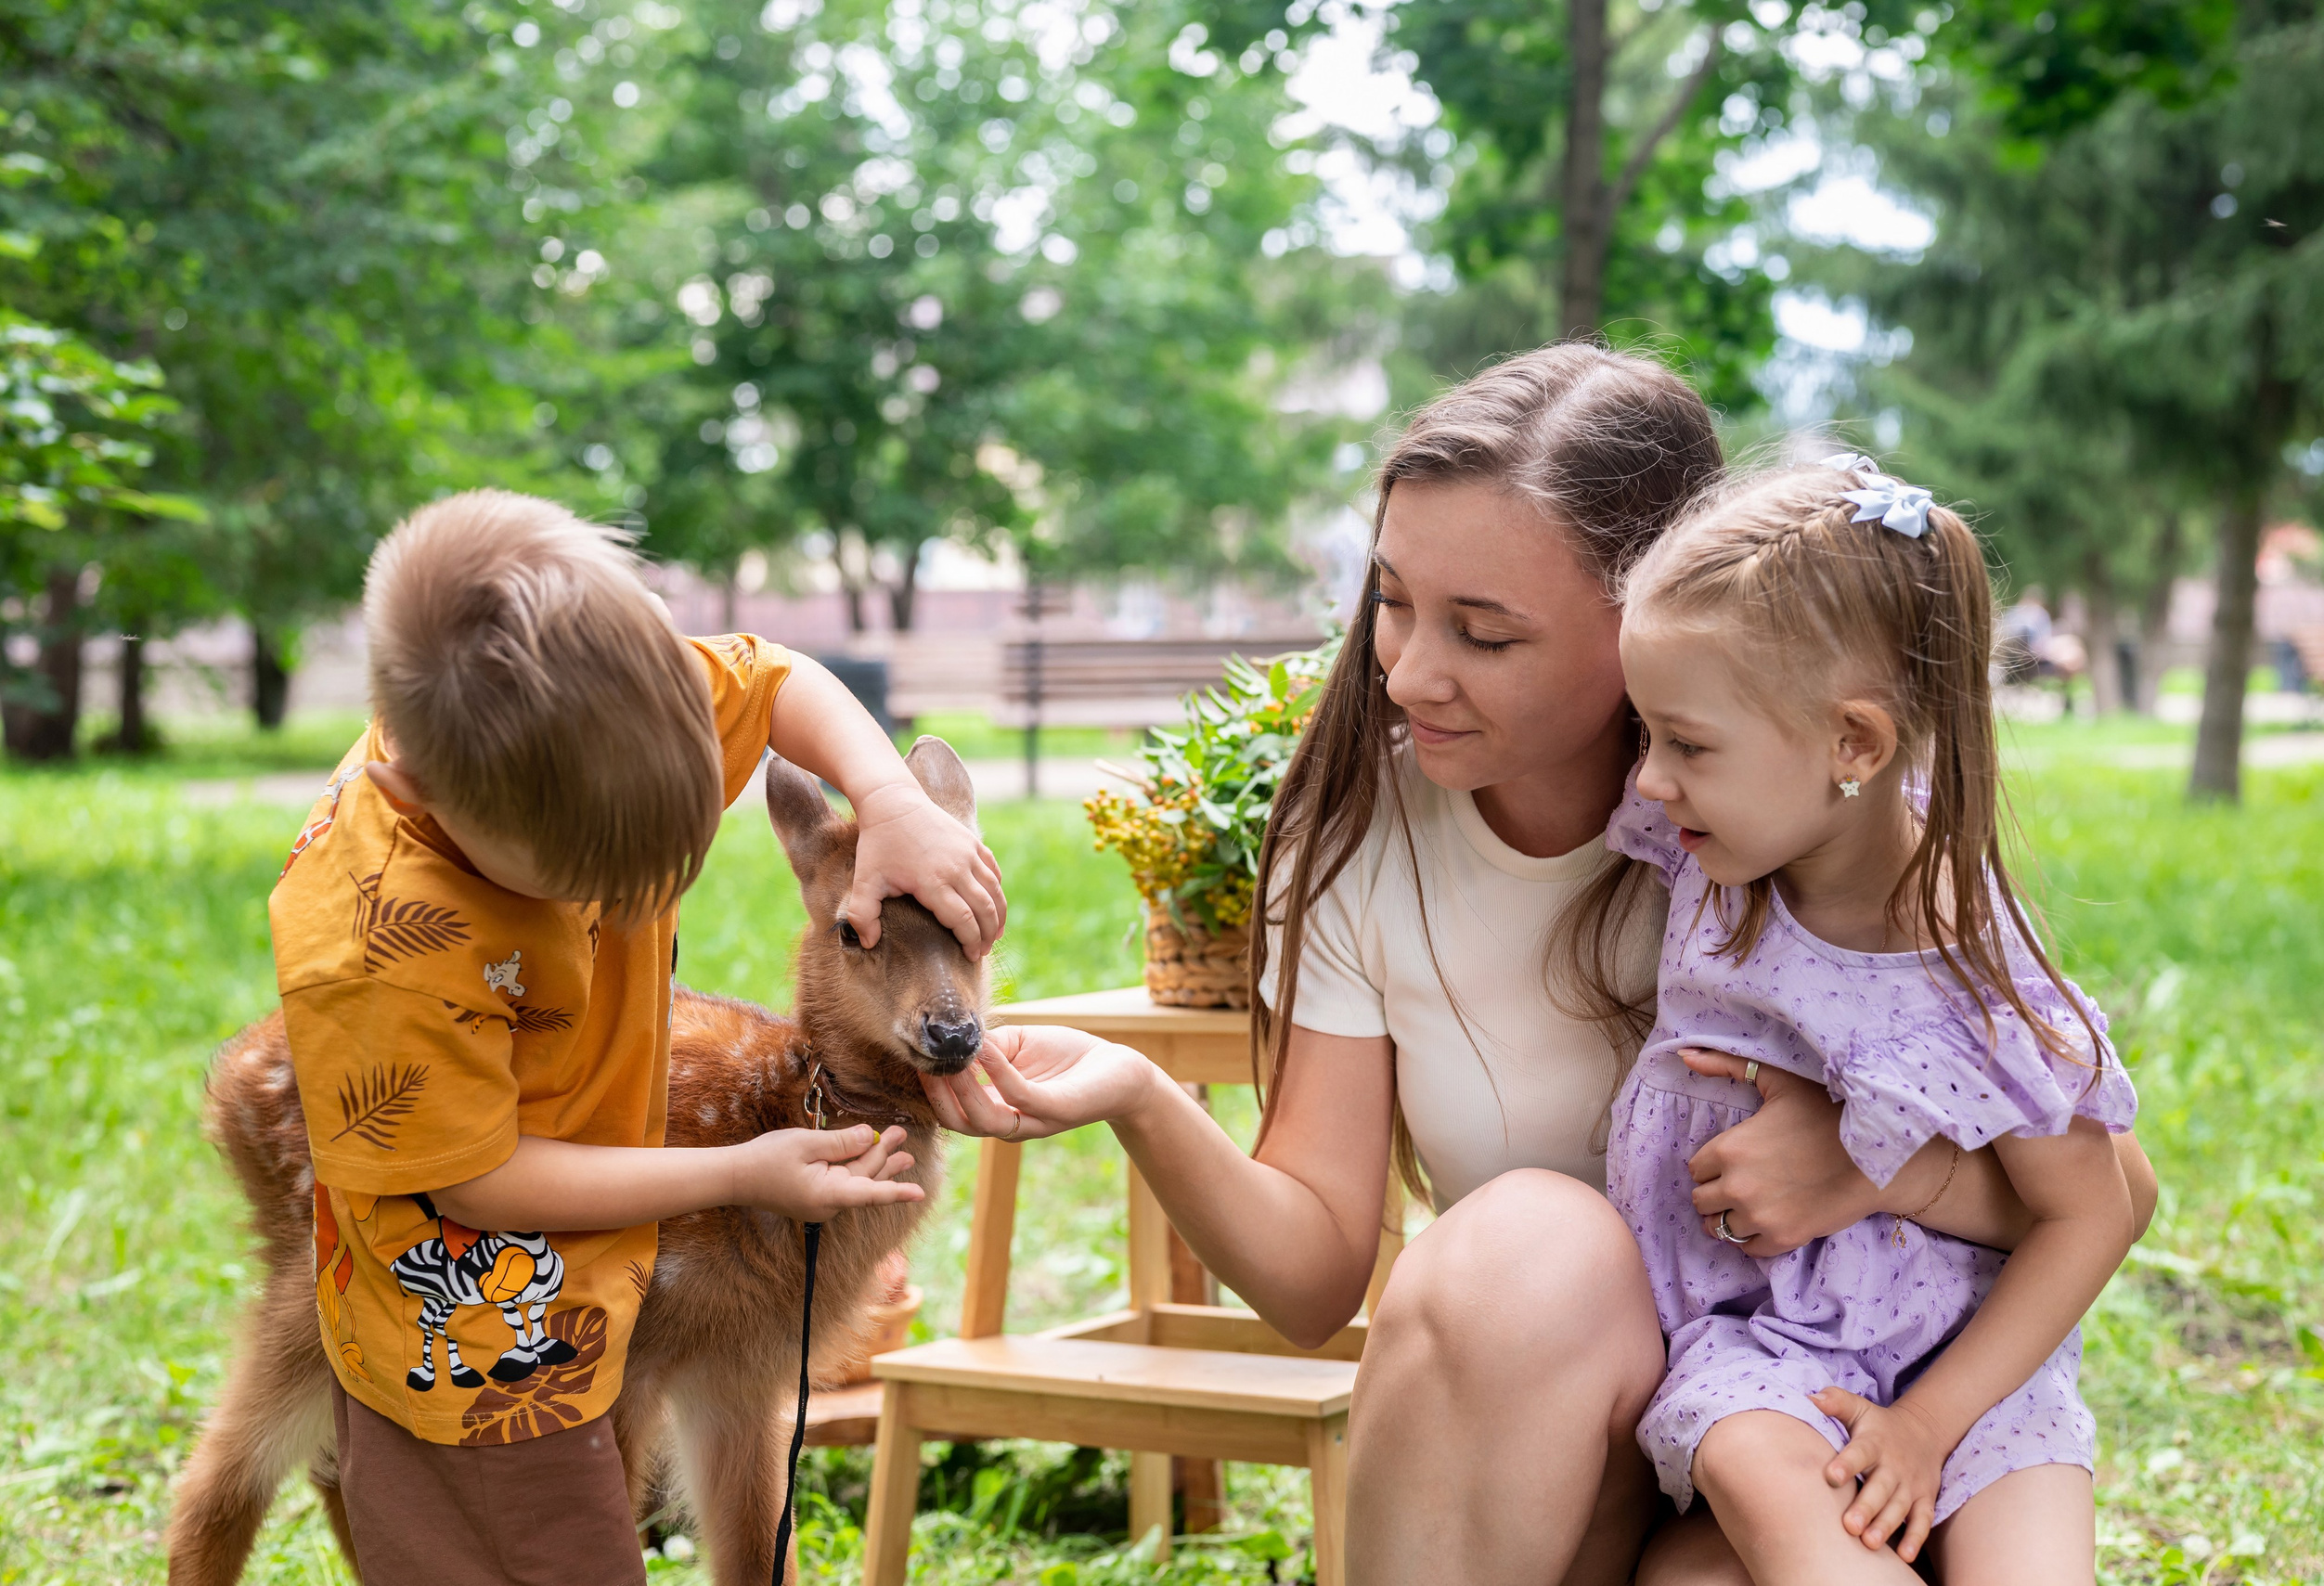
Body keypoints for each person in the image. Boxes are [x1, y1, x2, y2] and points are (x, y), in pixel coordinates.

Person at [915, 344, 2161, 1585]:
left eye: (1485, 632)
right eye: (1393, 600)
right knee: (1528, 1240)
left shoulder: (1802, 828)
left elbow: (2102, 1184)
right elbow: (1312, 1277)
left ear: (1652, 614)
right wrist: (1139, 1094)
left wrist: (1870, 1165)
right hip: (1585, 1449)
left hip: (1835, 1421)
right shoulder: (1366, 834)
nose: (1409, 671)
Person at [271, 491, 1001, 1584]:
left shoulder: (607, 706)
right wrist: (740, 1170)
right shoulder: (379, 942)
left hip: (593, 1224)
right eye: (588, 877)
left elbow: (779, 681)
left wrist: (888, 796)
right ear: (416, 793)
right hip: (475, 1327)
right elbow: (477, 1177)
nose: (626, 900)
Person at [1607, 458, 2140, 1583]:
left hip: (1975, 1373)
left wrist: (1929, 1424)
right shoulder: (1711, 855)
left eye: (1685, 743)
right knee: (1758, 1506)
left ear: (1854, 744)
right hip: (1760, 1354)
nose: (1648, 779)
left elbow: (2094, 1207)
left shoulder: (1966, 956)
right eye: (1644, 734)